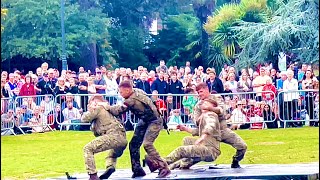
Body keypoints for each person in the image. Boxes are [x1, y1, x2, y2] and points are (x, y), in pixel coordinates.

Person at [98, 80, 171, 178]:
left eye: (121, 92)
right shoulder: (138, 90)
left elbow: (117, 111)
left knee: (147, 144)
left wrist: (106, 106)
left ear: (128, 90)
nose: (120, 94)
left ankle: (164, 168)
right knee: (134, 144)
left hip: (155, 121)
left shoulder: (130, 100)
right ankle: (137, 169)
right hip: (145, 120)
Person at [150, 98, 221, 170]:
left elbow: (210, 125)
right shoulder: (203, 116)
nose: (203, 106)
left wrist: (203, 136)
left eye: (206, 104)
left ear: (212, 107)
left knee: (182, 150)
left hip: (210, 150)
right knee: (187, 140)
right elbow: (197, 131)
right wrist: (185, 128)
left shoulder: (211, 115)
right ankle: (184, 164)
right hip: (205, 146)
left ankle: (160, 163)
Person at [192, 82, 247, 168]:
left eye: (201, 91)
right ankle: (181, 165)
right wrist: (203, 116)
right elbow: (196, 122)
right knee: (200, 154)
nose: (199, 94)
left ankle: (236, 160)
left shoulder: (217, 98)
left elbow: (222, 112)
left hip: (222, 130)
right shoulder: (198, 105)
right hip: (209, 134)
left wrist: (210, 109)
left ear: (207, 89)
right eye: (198, 92)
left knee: (242, 146)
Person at [81, 95, 127, 180]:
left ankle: (93, 175)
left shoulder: (98, 108)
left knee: (88, 148)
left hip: (113, 136)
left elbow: (84, 119)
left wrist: (90, 110)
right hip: (123, 139)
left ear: (94, 102)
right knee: (112, 154)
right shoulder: (108, 109)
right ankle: (110, 166)